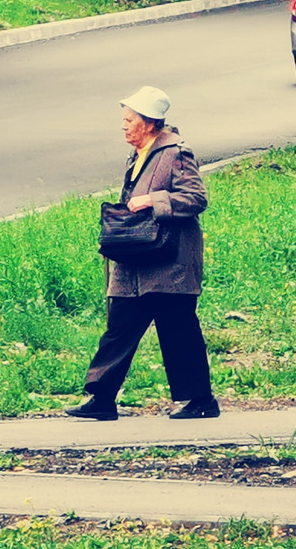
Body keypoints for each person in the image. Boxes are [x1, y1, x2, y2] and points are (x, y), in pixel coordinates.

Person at [66, 86, 219, 421]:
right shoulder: (138, 156)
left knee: (179, 331)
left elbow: (197, 198)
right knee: (118, 330)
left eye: (129, 120)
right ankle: (101, 399)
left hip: (170, 265)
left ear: (149, 123)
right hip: (135, 262)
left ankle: (201, 401)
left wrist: (154, 200)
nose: (123, 125)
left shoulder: (176, 154)